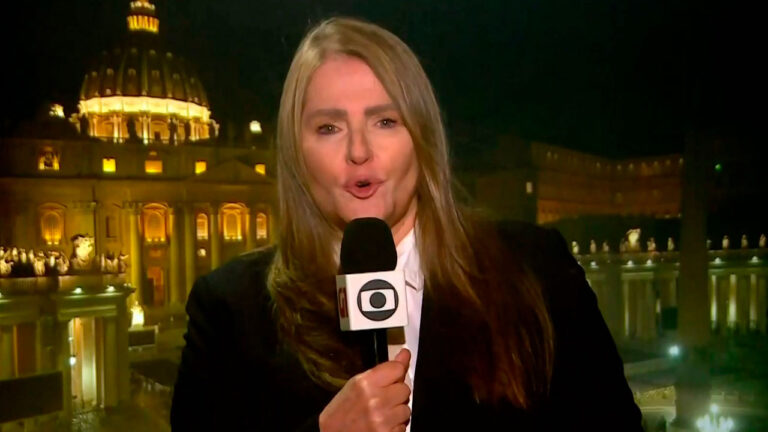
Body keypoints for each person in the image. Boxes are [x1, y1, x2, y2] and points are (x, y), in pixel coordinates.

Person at [170, 17, 642, 431]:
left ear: (423, 136)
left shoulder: (535, 271)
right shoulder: (229, 311)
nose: (359, 151)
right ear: (296, 154)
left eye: (385, 121)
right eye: (329, 127)